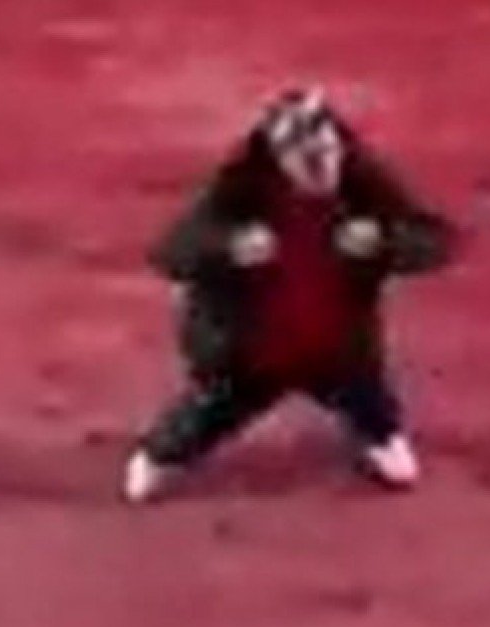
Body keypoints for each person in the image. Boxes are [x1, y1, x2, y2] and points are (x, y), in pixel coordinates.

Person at [124, 90, 460, 504]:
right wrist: (228, 248)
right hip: (252, 349)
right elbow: (171, 252)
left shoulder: (363, 184)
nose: (321, 171)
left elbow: (434, 240)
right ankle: (155, 458)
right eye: (305, 162)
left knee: (370, 407)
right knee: (202, 418)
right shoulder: (239, 190)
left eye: (327, 155)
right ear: (278, 159)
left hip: (336, 345)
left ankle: (381, 439)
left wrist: (383, 242)